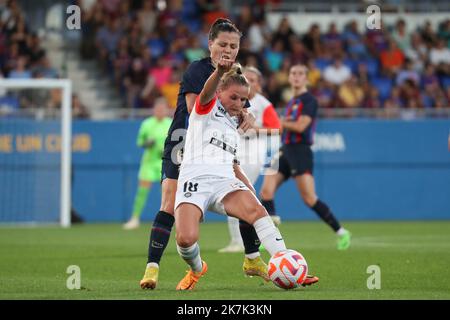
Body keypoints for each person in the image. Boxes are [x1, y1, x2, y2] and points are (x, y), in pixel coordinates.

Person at [139, 18, 286, 290]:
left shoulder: (236, 75)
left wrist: (247, 115)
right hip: (184, 143)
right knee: (169, 204)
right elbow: (197, 106)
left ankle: (252, 258)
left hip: (218, 149)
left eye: (233, 46)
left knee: (249, 193)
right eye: (222, 45)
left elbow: (243, 109)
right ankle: (152, 267)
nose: (228, 50)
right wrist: (238, 110)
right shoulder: (200, 69)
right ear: (210, 45)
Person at [173, 61, 307, 290]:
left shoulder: (236, 123)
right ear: (219, 92)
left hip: (224, 181)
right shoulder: (205, 108)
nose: (239, 104)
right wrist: (219, 72)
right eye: (233, 97)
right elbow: (205, 92)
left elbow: (233, 161)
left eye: (243, 100)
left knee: (257, 210)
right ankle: (197, 268)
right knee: (185, 239)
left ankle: (286, 265)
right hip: (194, 180)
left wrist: (246, 186)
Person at [260, 64, 352, 250]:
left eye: (300, 74)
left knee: (309, 198)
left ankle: (341, 232)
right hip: (285, 149)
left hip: (300, 150)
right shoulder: (291, 101)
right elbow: (283, 127)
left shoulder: (309, 100)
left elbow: (301, 127)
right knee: (265, 192)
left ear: (306, 79)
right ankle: (270, 237)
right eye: (293, 73)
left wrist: (279, 121)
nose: (296, 76)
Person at [218, 66, 282, 253]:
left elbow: (277, 128)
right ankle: (264, 226)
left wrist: (256, 130)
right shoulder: (231, 99)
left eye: (253, 80)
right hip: (234, 151)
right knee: (236, 195)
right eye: (246, 78)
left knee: (235, 194)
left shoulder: (263, 103)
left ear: (259, 84)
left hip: (253, 154)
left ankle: (240, 241)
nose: (249, 82)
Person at [123, 98, 172, 230]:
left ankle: (171, 219)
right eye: (158, 109)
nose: (160, 112)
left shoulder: (170, 123)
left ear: (166, 111)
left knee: (168, 192)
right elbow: (140, 142)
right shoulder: (147, 123)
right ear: (154, 110)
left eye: (163, 109)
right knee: (142, 191)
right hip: (149, 162)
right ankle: (135, 218)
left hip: (165, 162)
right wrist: (147, 144)